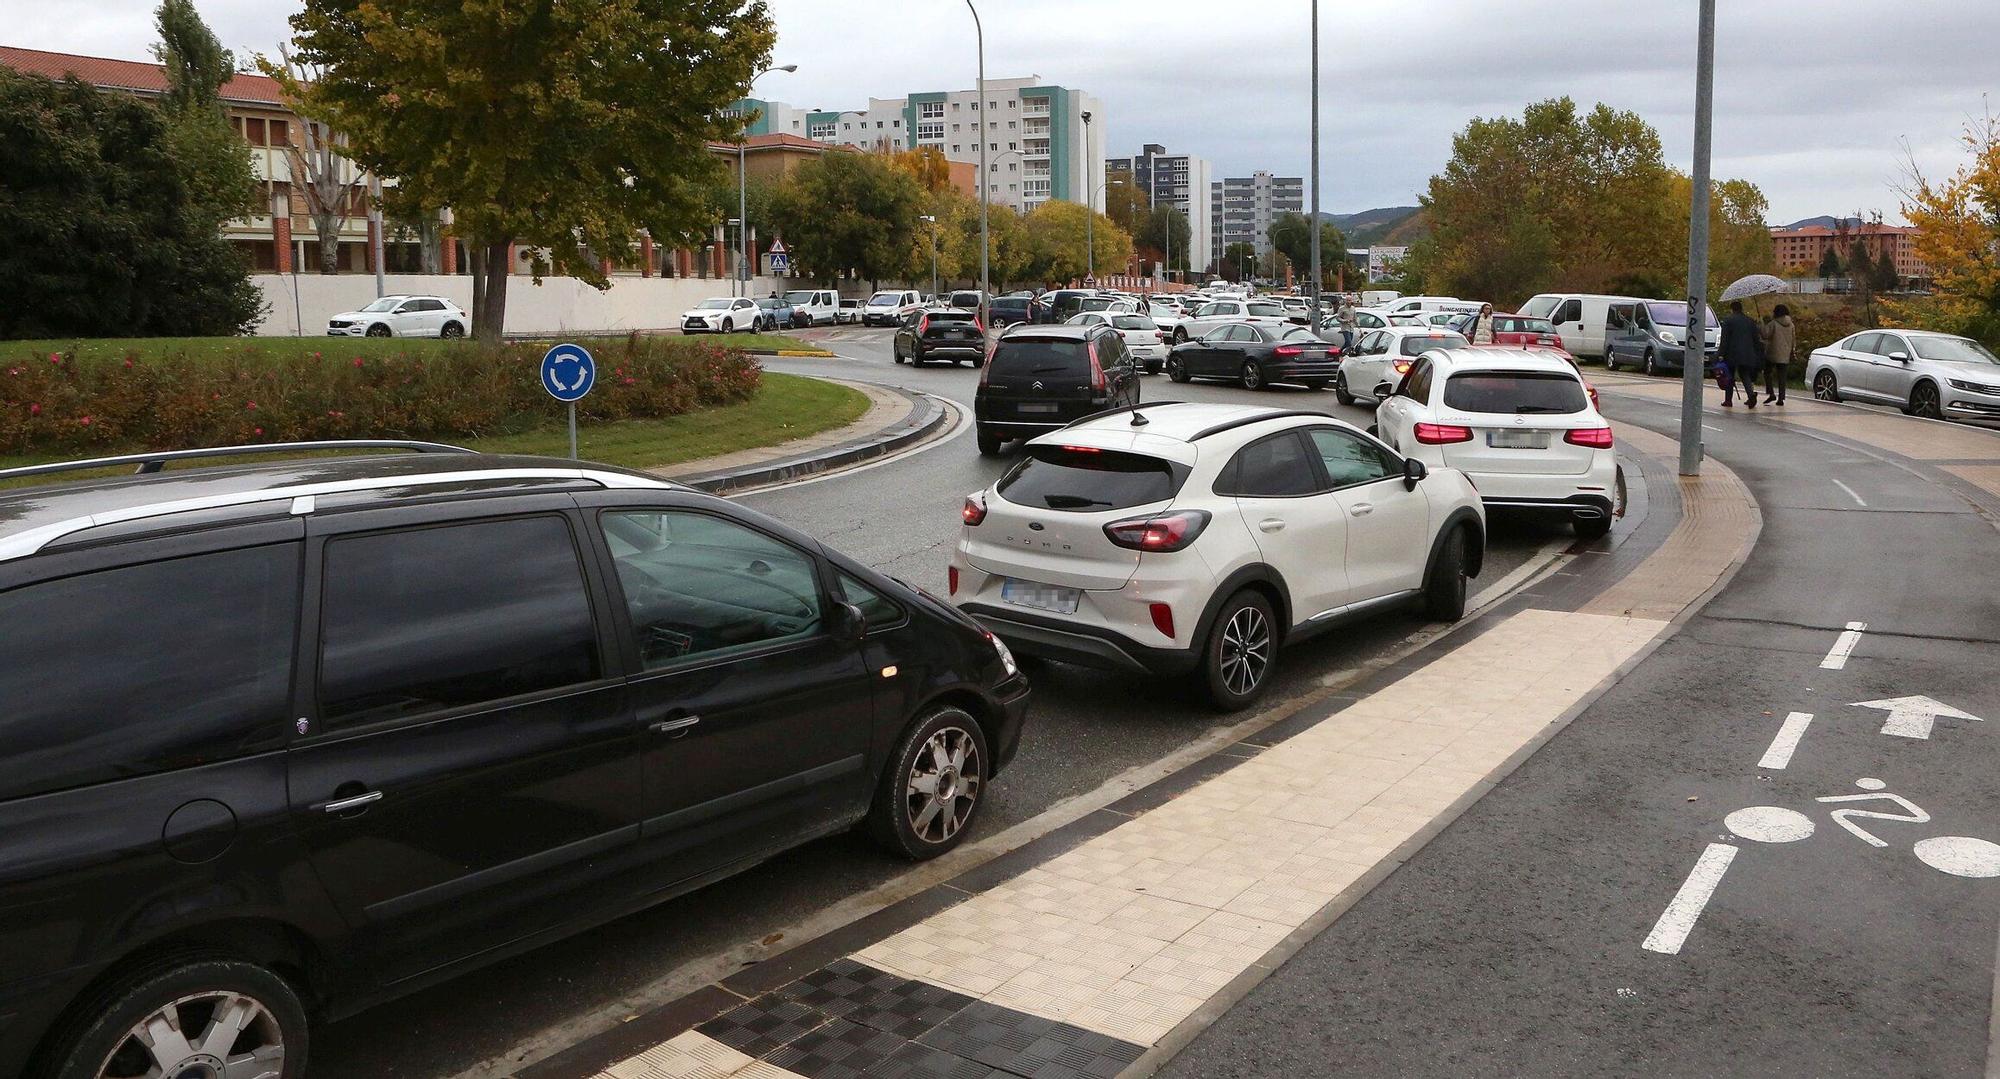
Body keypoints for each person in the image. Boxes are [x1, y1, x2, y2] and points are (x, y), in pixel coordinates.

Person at [1718, 300, 1765, 409]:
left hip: (1732, 353)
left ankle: (1728, 400)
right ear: (1741, 309)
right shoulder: (1750, 321)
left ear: (1732, 309)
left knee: (1729, 376)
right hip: (1747, 353)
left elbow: (1724, 339)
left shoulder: (1728, 321)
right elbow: (1755, 340)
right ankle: (1751, 395)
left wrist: (1721, 354)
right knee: (1745, 375)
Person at [1760, 303, 1796, 405]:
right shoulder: (1791, 325)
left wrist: (1761, 324)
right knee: (1782, 377)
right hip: (1785, 354)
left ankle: (1771, 393)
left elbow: (1765, 335)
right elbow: (1794, 340)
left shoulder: (1773, 324)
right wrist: (1792, 350)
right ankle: (1781, 399)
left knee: (1767, 373)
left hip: (1772, 354)